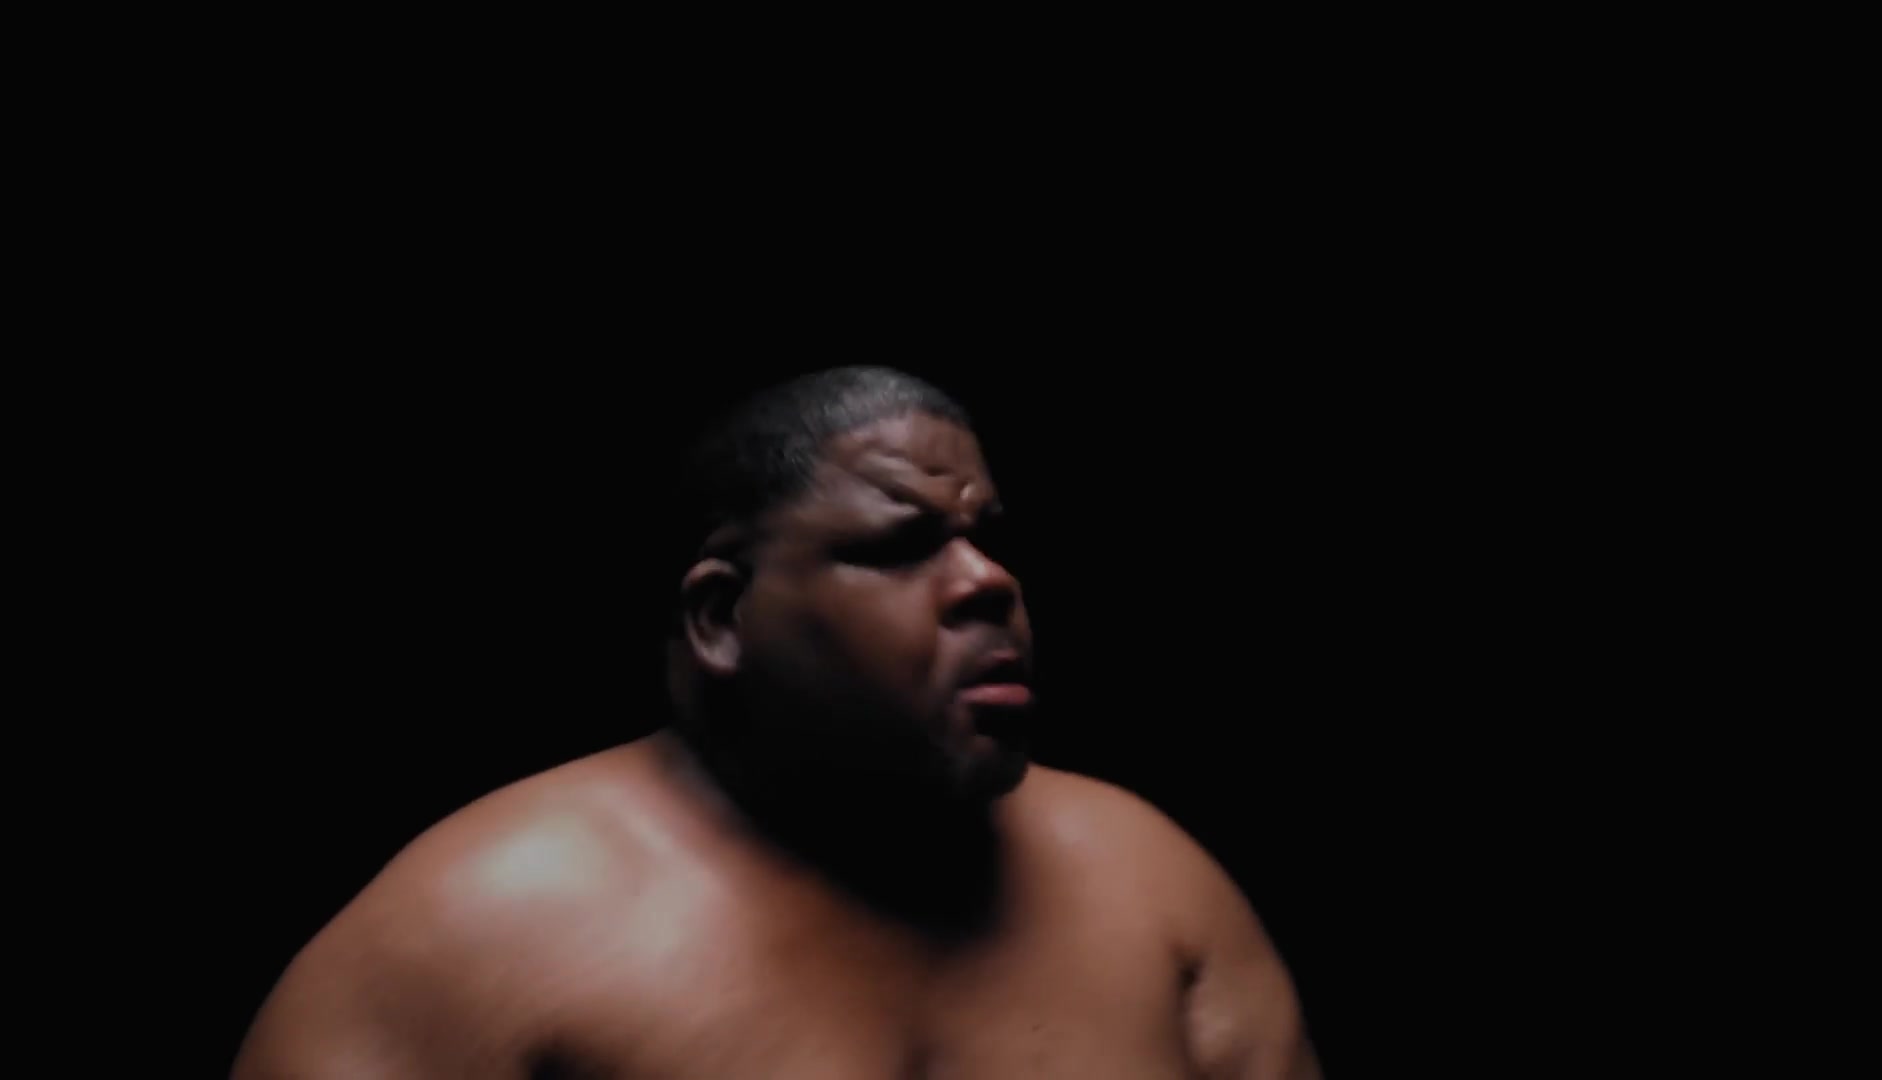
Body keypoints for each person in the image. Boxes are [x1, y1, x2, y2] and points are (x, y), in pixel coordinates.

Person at [232, 366, 1321, 1078]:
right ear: (721, 615)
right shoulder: (468, 936)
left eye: (988, 540)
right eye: (899, 545)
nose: (989, 582)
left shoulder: (1157, 886)